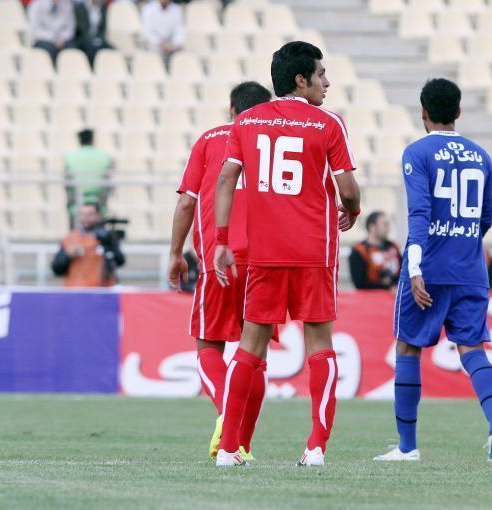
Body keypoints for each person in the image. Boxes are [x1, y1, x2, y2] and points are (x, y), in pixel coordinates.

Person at [212, 41, 361, 468]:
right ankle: (315, 448)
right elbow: (348, 190)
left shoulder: (246, 121)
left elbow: (225, 180)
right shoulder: (328, 123)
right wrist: (352, 210)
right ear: (301, 79)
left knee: (248, 348)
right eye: (321, 74)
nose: (326, 82)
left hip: (265, 252)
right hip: (314, 250)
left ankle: (229, 449)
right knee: (320, 346)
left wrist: (222, 240)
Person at [373, 78, 492, 464]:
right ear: (459, 111)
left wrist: (415, 266)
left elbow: (419, 213)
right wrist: (462, 242)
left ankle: (407, 447)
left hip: (429, 267)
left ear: (423, 112)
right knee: (472, 349)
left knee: (408, 347)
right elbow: (485, 217)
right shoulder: (481, 155)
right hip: (470, 269)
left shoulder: (417, 152)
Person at [168, 81, 273, 462]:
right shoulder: (273, 141)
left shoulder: (210, 140)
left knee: (208, 346)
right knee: (254, 356)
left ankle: (227, 417)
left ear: (232, 109)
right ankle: (241, 445)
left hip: (220, 258)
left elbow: (186, 204)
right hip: (265, 262)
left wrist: (175, 253)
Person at [52, 202, 125, 287]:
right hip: (76, 290)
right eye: (82, 214)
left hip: (101, 290)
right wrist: (66, 255)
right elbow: (56, 269)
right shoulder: (70, 238)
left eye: (90, 214)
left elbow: (120, 260)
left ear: (98, 216)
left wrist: (108, 244)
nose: (86, 218)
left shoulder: (106, 237)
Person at [65, 129, 113, 221]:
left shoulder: (69, 156)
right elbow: (108, 182)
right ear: (92, 140)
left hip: (76, 205)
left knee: (76, 230)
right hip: (98, 204)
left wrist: (70, 204)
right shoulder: (104, 156)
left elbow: (67, 184)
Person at [349, 211, 402, 290]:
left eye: (388, 224)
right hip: (372, 296)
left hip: (396, 295)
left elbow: (403, 272)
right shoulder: (359, 251)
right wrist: (388, 287)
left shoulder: (394, 247)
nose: (388, 228)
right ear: (372, 227)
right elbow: (360, 284)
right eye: (385, 224)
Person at [27, 0, 77, 65]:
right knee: (48, 48)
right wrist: (53, 38)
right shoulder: (36, 5)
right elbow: (35, 30)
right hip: (43, 39)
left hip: (62, 40)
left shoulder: (67, 5)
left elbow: (70, 29)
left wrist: (62, 38)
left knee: (72, 50)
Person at [73, 0, 113, 66]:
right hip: (84, 38)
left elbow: (103, 28)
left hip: (98, 39)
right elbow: (81, 29)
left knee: (111, 50)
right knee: (91, 49)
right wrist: (93, 40)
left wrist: (98, 39)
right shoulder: (81, 8)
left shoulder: (103, 8)